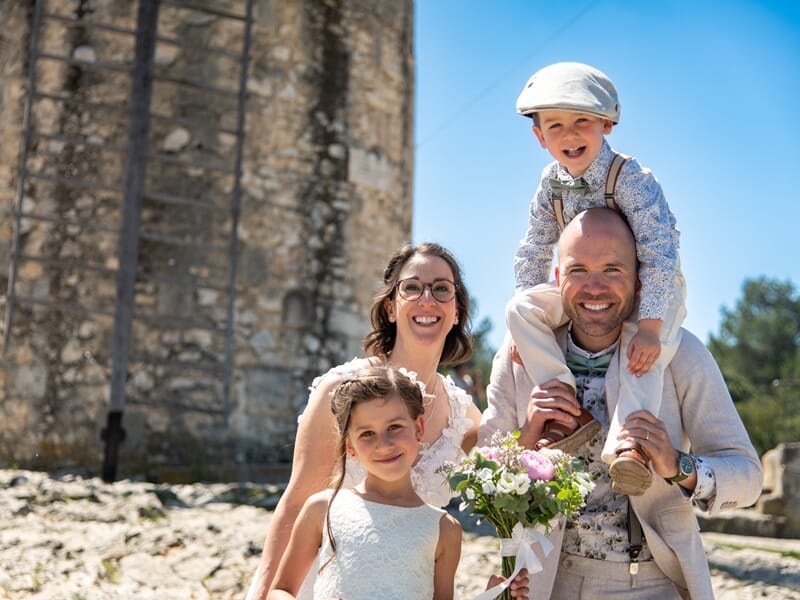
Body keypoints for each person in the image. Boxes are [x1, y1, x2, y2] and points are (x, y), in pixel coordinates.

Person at [482, 208, 763, 599]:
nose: (594, 288)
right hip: (545, 583)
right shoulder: (515, 358)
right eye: (578, 270)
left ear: (639, 279)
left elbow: (748, 477)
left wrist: (677, 465)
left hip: (649, 584)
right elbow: (481, 475)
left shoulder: (682, 354)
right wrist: (528, 434)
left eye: (613, 269)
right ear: (558, 278)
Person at [247, 243, 484, 599]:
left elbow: (512, 471)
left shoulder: (466, 418)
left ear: (456, 311)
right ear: (391, 307)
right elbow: (296, 504)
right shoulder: (340, 390)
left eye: (441, 289)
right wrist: (264, 594)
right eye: (412, 287)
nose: (427, 299)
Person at [506, 62, 686, 496]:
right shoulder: (549, 185)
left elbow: (659, 250)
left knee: (644, 355)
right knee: (519, 310)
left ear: (606, 124)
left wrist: (650, 325)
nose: (570, 135)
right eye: (556, 126)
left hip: (650, 287)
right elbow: (533, 249)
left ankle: (630, 446)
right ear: (540, 136)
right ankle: (564, 410)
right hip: (584, 286)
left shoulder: (631, 179)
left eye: (582, 122)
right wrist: (525, 333)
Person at [267, 367, 530, 600]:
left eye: (394, 427)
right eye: (367, 433)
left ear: (418, 428)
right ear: (350, 446)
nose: (384, 444)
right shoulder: (322, 508)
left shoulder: (444, 530)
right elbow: (281, 589)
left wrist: (494, 596)